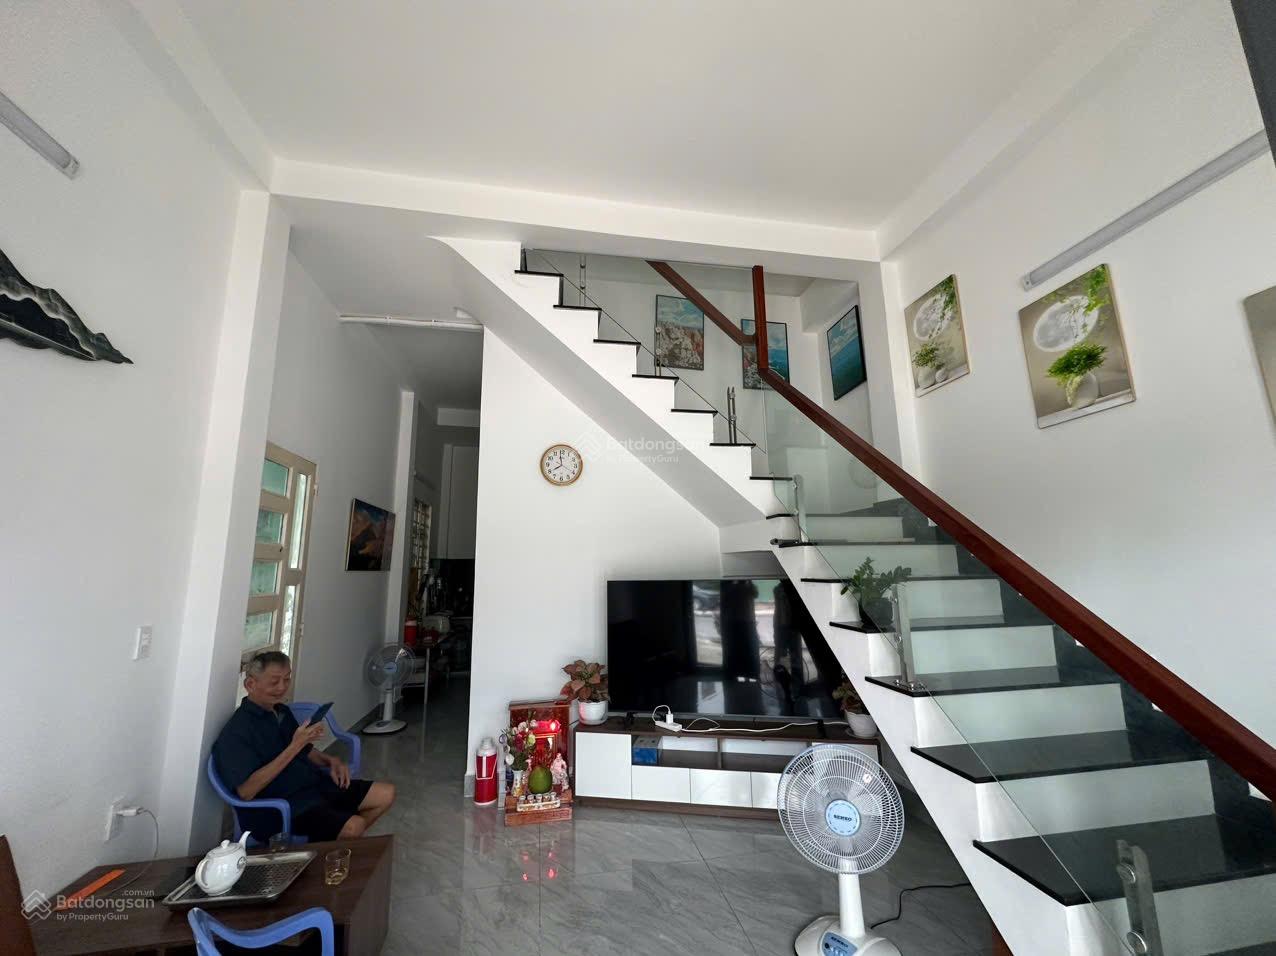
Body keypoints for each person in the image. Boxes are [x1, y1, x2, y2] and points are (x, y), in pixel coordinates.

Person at [213, 651, 395, 841]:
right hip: (280, 806)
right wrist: (295, 745)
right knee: (354, 826)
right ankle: (335, 842)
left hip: (312, 786)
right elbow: (246, 792)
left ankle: (332, 843)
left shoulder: (281, 711)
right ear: (250, 684)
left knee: (386, 794)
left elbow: (306, 751)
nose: (282, 687)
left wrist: (331, 760)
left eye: (287, 679)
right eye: (274, 682)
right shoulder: (237, 731)